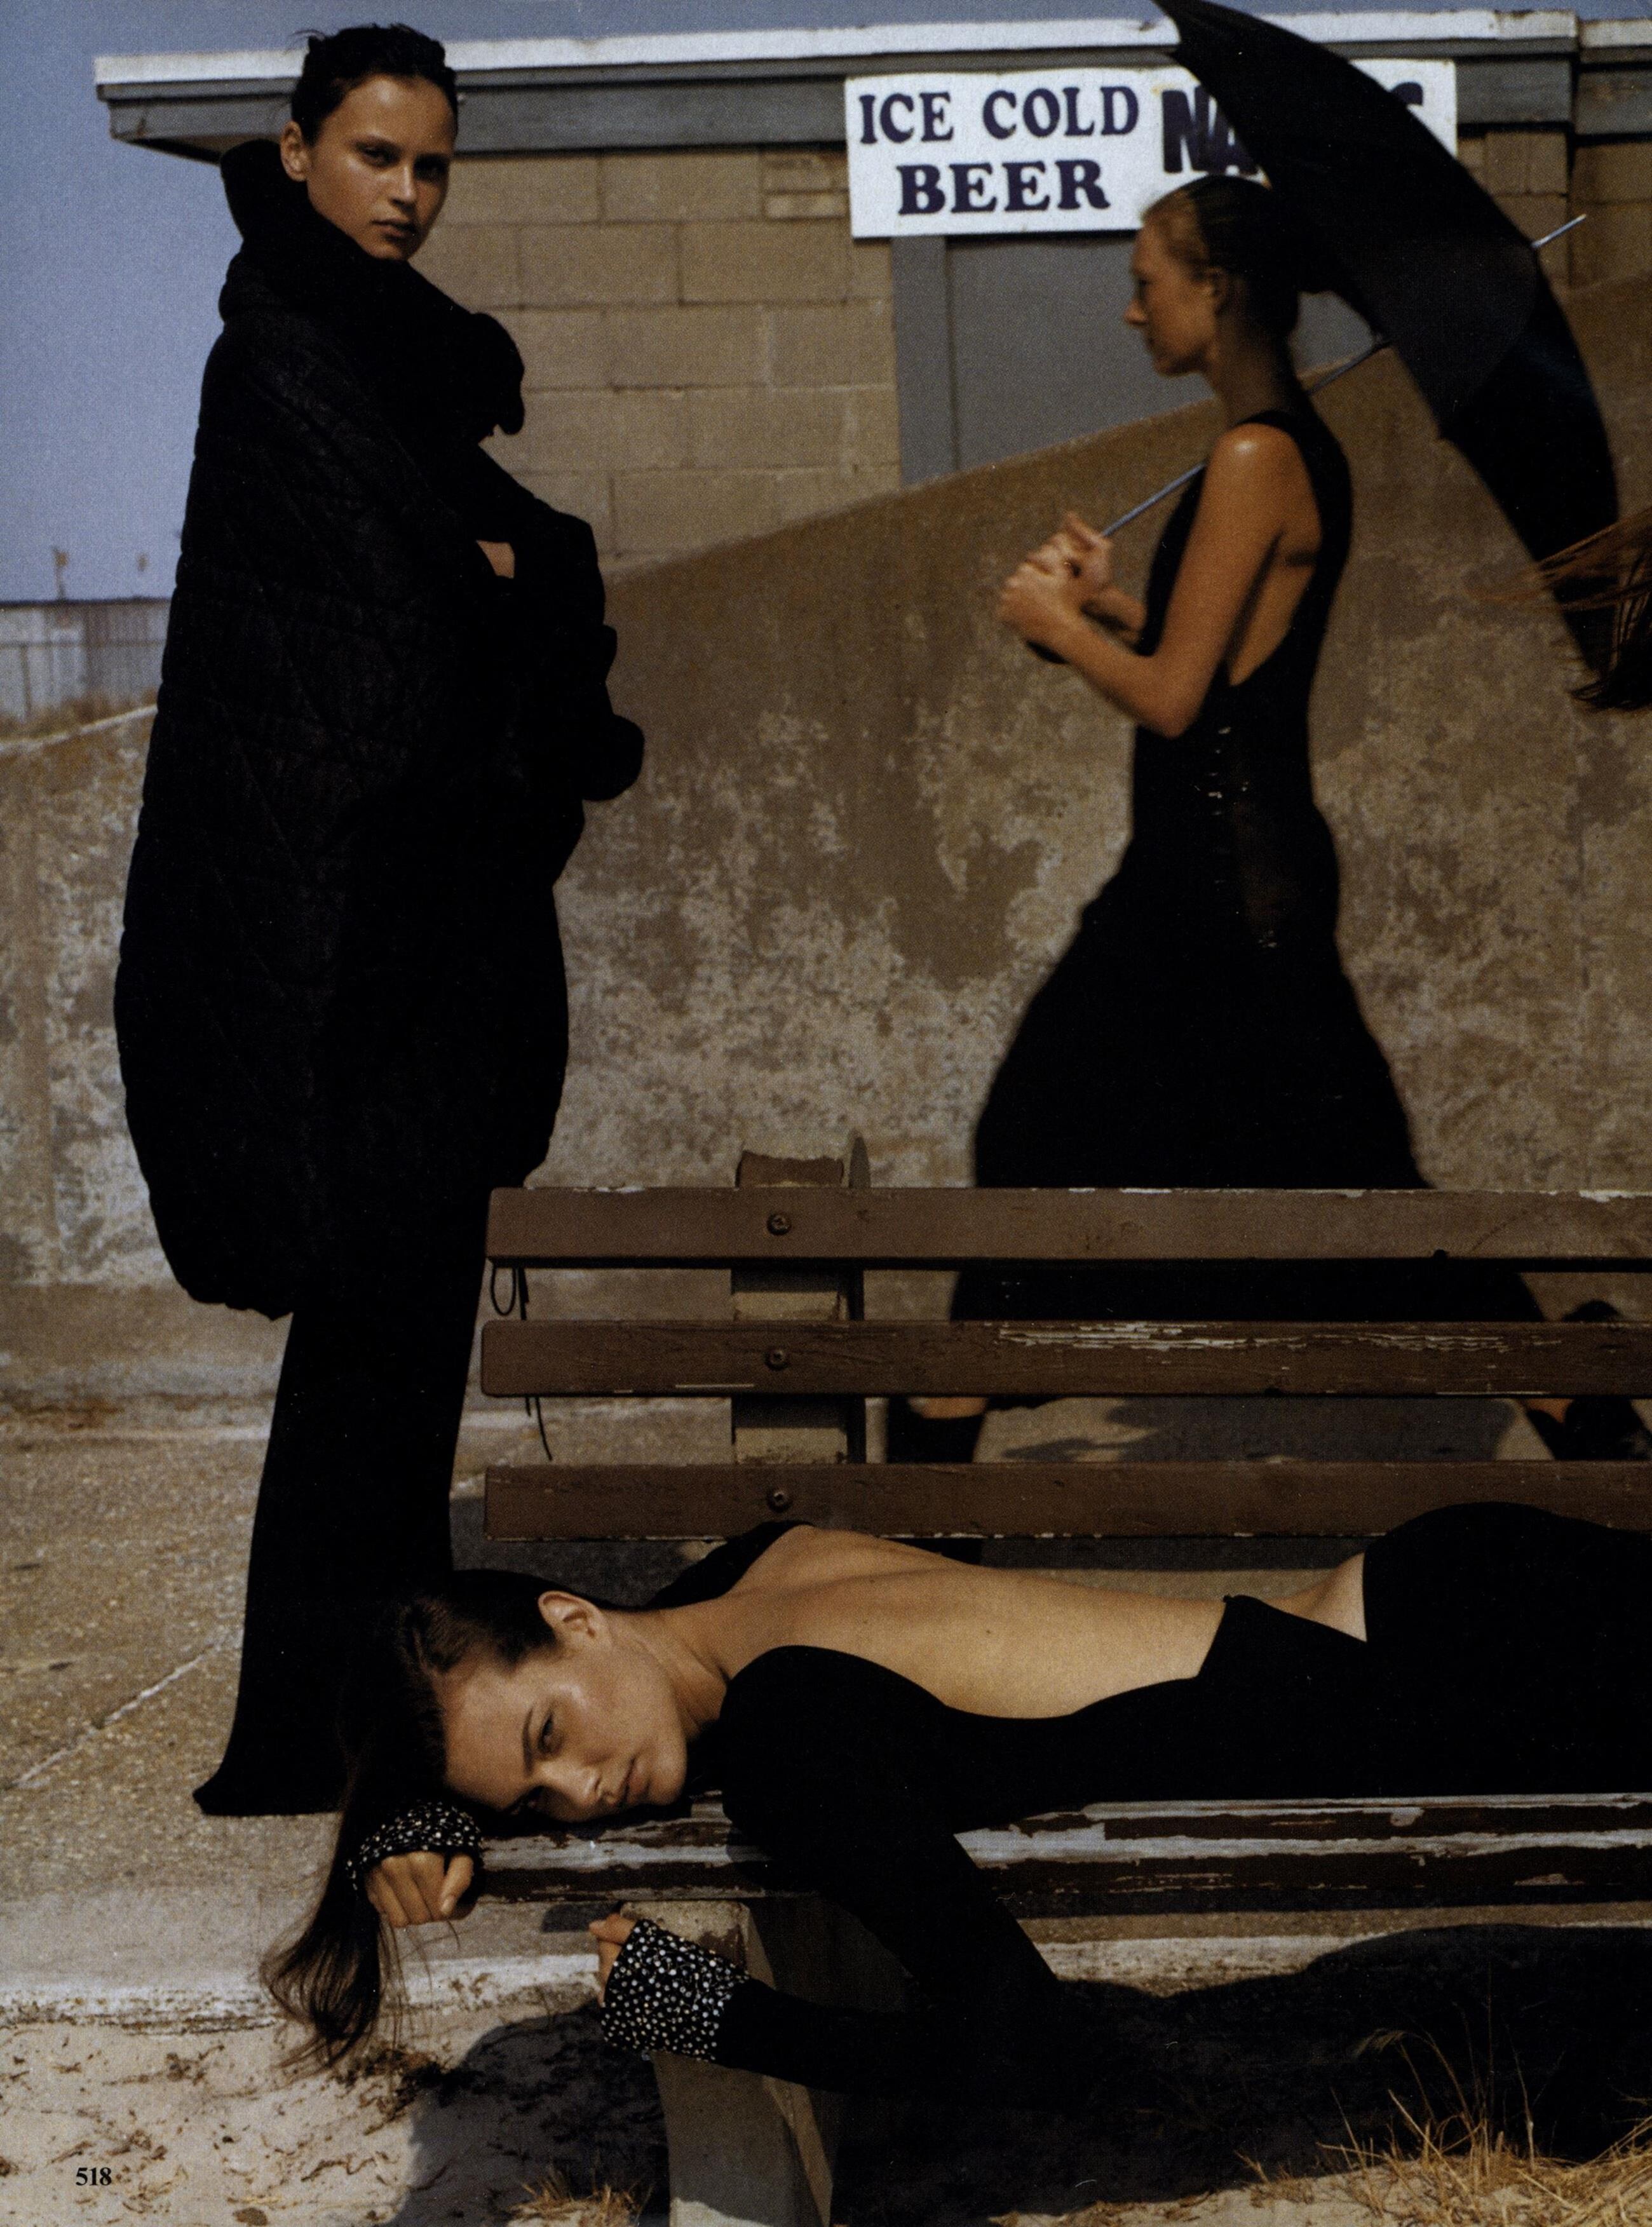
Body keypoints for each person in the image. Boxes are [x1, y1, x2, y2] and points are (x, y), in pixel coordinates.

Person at [894, 175, 1643, 1465]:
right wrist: (1109, 612)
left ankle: (935, 1455)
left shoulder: (1255, 456)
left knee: (1059, 1139)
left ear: (1218, 287)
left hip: (1217, 886)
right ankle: (1572, 1393)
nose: (1133, 310)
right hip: (1222, 871)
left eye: (1148, 280)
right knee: (1329, 1175)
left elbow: (1178, 702)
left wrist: (1056, 626)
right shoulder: (1277, 446)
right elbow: (1222, 666)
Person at [115, 25, 643, 1817]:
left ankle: (376, 1730)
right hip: (344, 946)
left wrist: (522, 581)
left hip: (429, 942)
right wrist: (514, 590)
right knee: (365, 1356)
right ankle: (322, 1734)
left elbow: (500, 584)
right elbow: (369, 655)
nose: (408, 195)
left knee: (404, 1364)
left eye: (431, 166)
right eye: (375, 157)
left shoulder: (398, 361)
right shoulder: (282, 356)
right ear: (296, 150)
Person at [264, 1504, 1652, 2109]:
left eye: (553, 1737)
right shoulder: (767, 1565)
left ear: (576, 1615)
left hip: (1478, 1682)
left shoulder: (794, 1733)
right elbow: (621, 1701)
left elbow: (1034, 2050)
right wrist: (416, 1818)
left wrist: (715, 2017)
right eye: (536, 1803)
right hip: (1438, 1598)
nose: (582, 1794)